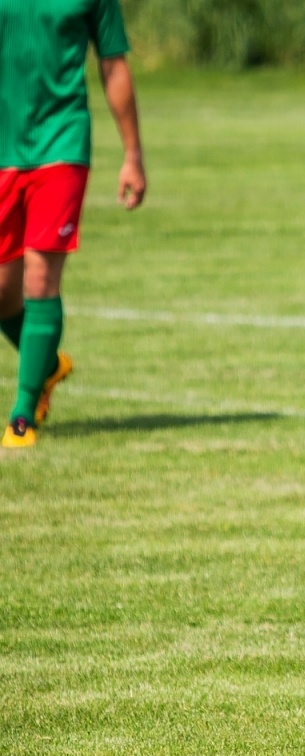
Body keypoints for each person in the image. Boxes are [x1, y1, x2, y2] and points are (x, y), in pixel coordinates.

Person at [0, 0, 146, 448]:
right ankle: (48, 367)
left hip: (63, 143)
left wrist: (132, 155)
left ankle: (22, 415)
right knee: (2, 293)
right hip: (4, 148)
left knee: (40, 277)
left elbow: (113, 65)